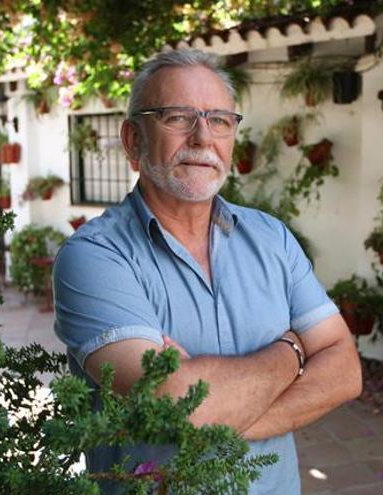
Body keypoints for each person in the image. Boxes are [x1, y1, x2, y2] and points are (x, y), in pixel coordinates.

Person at [53, 48, 362, 494]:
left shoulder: (271, 238)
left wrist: (220, 414)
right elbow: (178, 405)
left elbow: (346, 371)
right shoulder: (95, 257)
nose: (202, 137)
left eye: (219, 120)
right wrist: (293, 351)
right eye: (177, 116)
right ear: (133, 140)